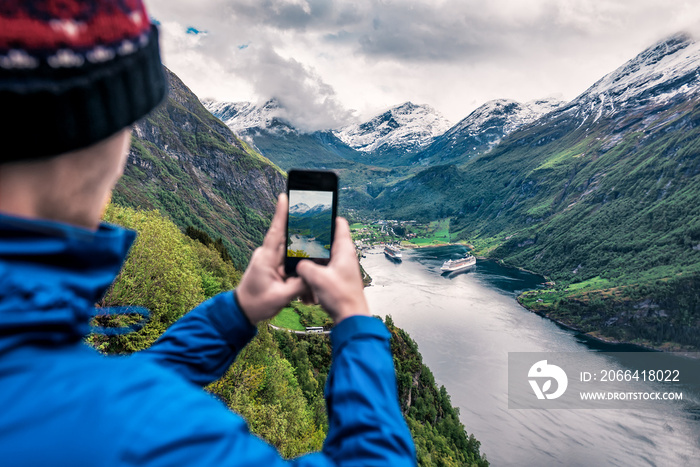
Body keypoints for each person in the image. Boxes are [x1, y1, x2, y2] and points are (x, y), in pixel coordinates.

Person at [0, 1, 416, 466]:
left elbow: (76, 393)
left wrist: (237, 311)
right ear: (104, 136)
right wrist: (355, 321)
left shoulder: (53, 393)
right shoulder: (163, 439)